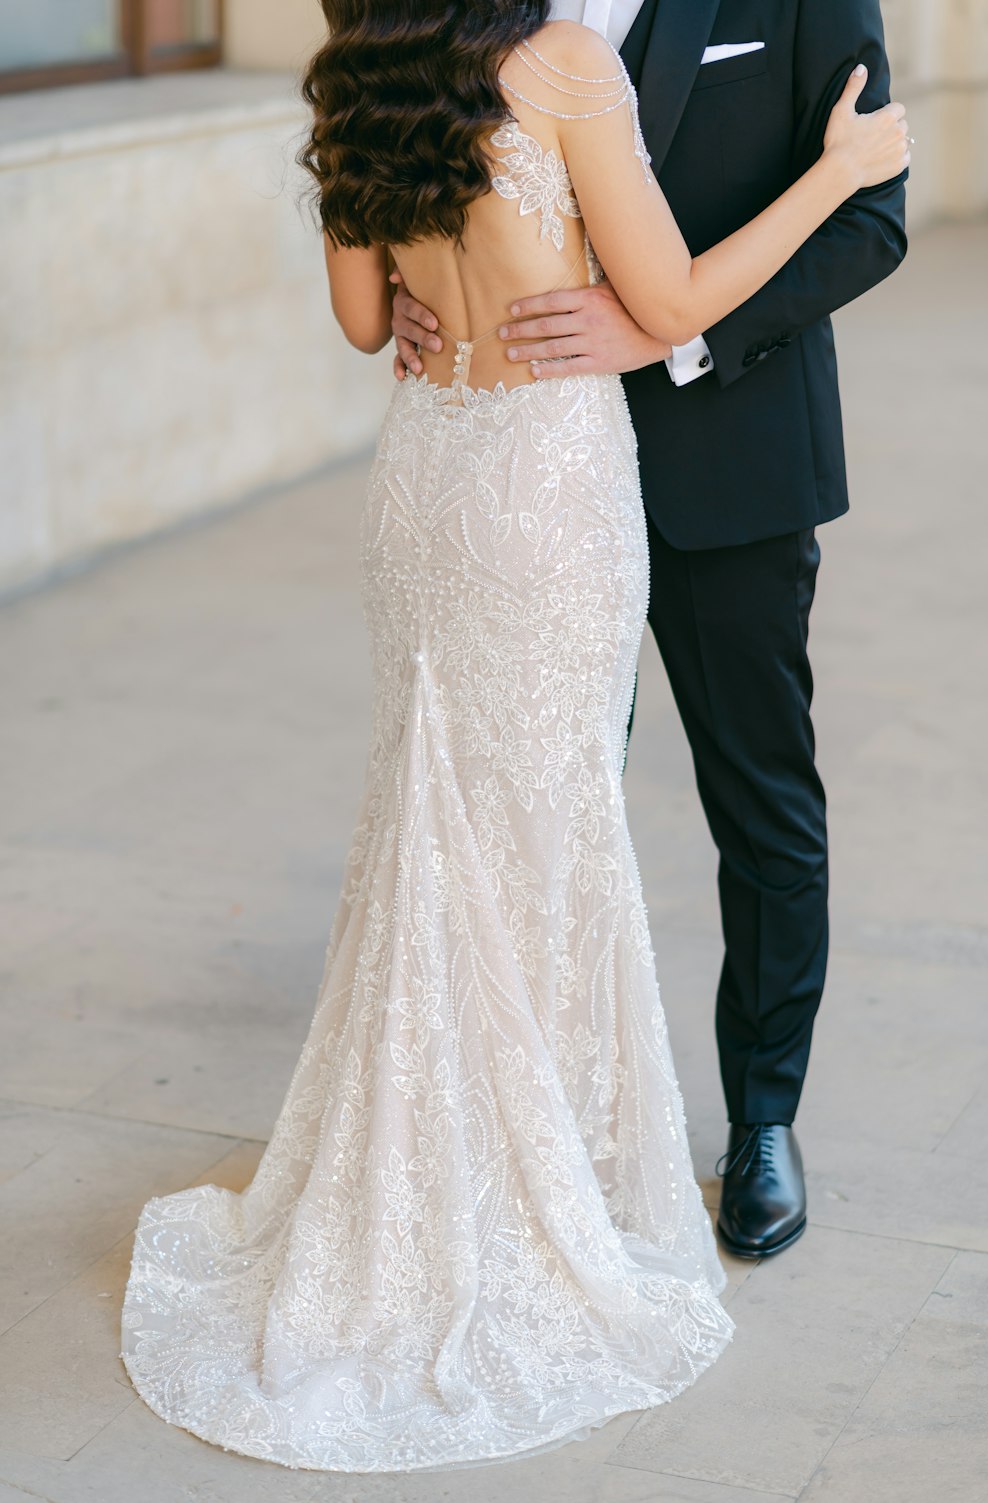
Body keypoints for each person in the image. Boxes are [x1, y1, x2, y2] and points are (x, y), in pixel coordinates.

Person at [119, 0, 909, 1473]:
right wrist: (834, 168)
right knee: (539, 823)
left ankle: (739, 1130)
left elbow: (365, 321)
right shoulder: (561, 58)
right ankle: (527, 1176)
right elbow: (662, 291)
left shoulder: (363, 69)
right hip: (548, 489)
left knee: (548, 816)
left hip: (471, 481)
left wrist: (444, 295)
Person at [391, 0, 909, 1262]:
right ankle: (539, 1126)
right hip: (529, 486)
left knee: (760, 798)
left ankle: (765, 1120)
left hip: (724, 462)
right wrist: (415, 297)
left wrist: (671, 337)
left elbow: (869, 219)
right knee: (538, 806)